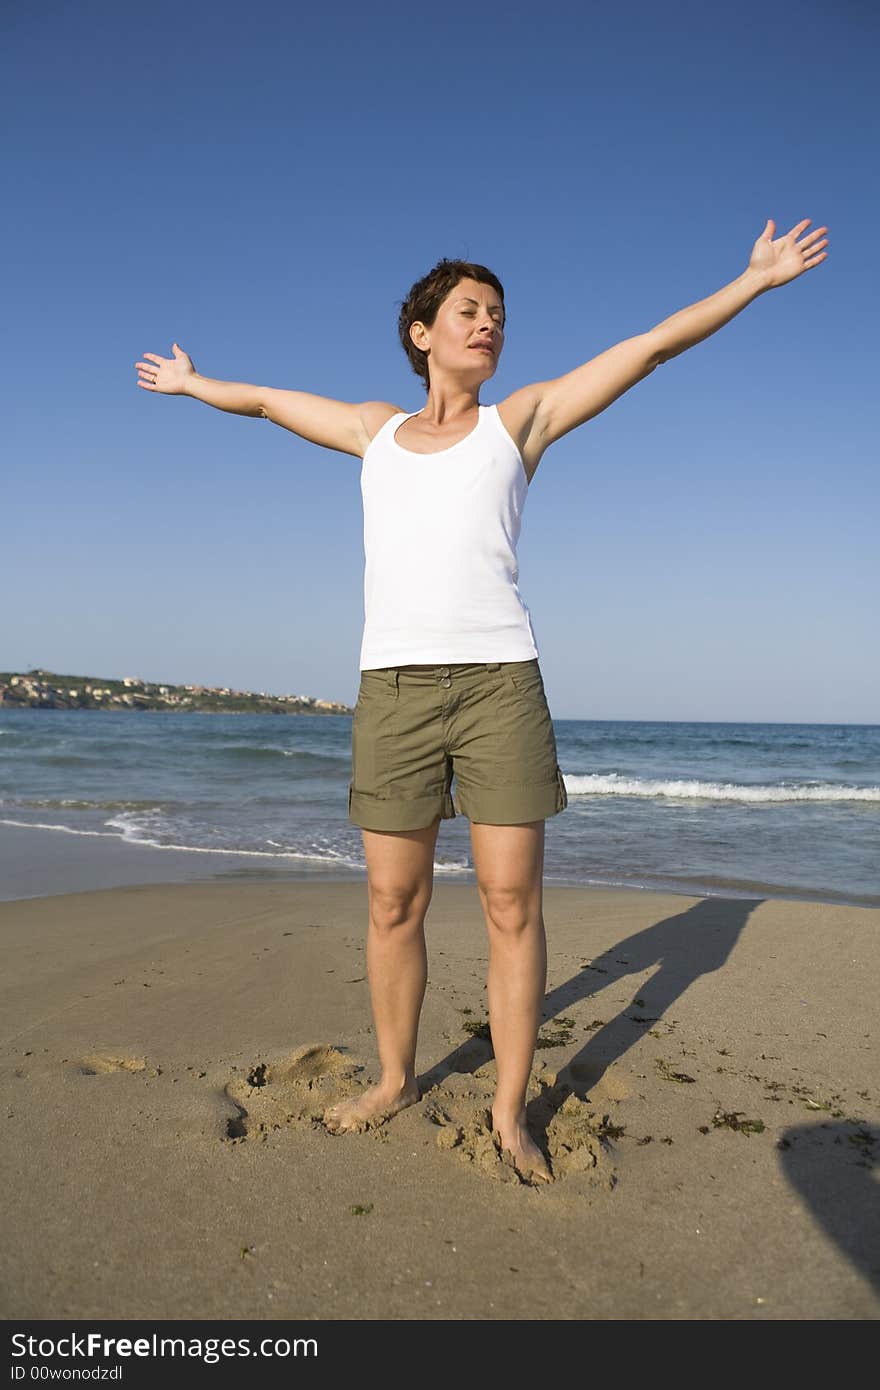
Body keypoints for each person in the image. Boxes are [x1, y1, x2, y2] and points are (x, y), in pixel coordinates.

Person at [134, 218, 828, 1183]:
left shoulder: (522, 422)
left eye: (499, 315)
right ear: (422, 331)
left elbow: (650, 347)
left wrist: (750, 282)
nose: (488, 326)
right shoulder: (375, 430)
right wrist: (191, 384)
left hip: (500, 682)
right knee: (391, 898)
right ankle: (391, 1078)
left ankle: (509, 1109)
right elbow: (263, 402)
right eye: (468, 311)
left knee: (509, 900)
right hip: (395, 686)